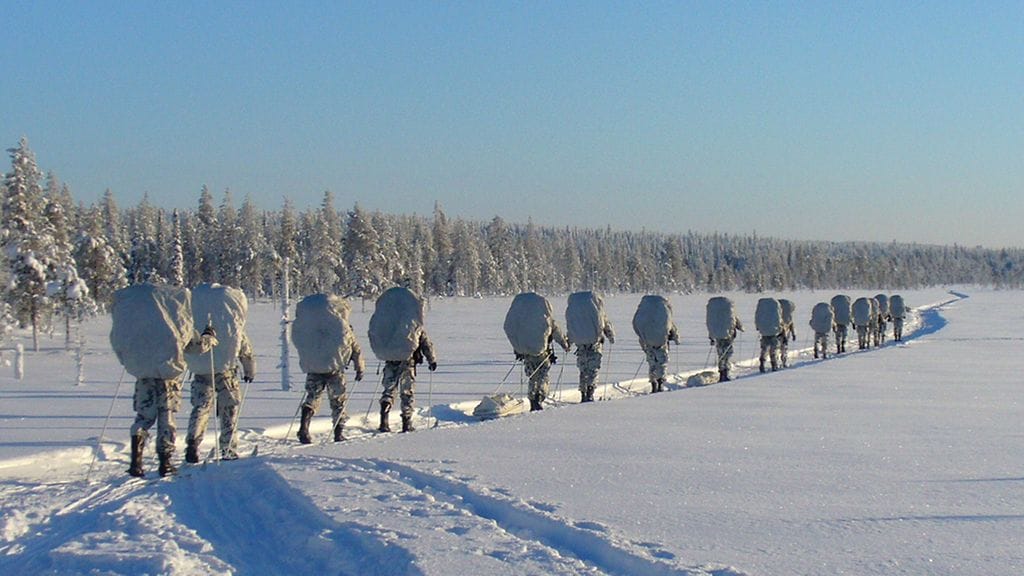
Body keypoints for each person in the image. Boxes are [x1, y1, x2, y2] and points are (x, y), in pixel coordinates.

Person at [110, 283, 218, 478]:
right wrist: (209, 337)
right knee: (166, 417)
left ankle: (136, 461)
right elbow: (195, 346)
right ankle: (165, 462)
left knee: (144, 417)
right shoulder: (176, 323)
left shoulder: (138, 326)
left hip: (143, 375)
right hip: (168, 377)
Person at [184, 283, 256, 462]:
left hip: (201, 370)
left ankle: (193, 442)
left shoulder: (195, 320)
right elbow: (244, 347)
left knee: (201, 407)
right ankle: (228, 447)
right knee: (229, 409)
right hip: (226, 371)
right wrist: (249, 370)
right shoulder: (232, 324)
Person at [292, 294, 365, 444]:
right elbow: (355, 349)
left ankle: (304, 427)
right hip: (335, 369)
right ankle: (338, 433)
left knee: (312, 398)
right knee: (338, 401)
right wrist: (359, 368)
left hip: (315, 368)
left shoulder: (313, 328)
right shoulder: (342, 328)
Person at [370, 287, 437, 432]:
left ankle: (384, 419)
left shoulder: (389, 324)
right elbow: (425, 342)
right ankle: (407, 423)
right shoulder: (412, 324)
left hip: (390, 360)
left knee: (388, 390)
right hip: (407, 361)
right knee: (407, 392)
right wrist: (432, 359)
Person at [504, 292, 570, 411]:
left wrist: (518, 348)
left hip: (526, 352)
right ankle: (538, 398)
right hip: (541, 352)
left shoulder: (522, 319)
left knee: (532, 376)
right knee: (542, 375)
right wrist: (565, 345)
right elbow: (556, 331)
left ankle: (533, 399)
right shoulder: (543, 317)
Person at [565, 291, 615, 403]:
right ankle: (590, 392)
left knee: (583, 369)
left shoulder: (574, 311)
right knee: (593, 369)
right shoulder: (596, 308)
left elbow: (571, 325)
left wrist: (568, 341)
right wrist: (610, 335)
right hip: (594, 342)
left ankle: (583, 392)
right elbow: (603, 322)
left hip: (580, 343)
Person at [633, 295, 679, 393]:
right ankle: (660, 383)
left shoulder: (644, 310)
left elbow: (636, 323)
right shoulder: (663, 310)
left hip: (647, 341)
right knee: (661, 362)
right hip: (661, 340)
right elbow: (669, 324)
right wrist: (675, 337)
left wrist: (642, 336)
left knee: (652, 362)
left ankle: (653, 383)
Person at [706, 296, 743, 382]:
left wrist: (711, 335)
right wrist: (741, 328)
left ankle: (722, 372)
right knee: (727, 354)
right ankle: (725, 373)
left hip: (717, 334)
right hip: (727, 334)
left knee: (720, 353)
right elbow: (734, 319)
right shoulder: (728, 311)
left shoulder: (714, 311)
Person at [755, 297, 784, 373]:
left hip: (764, 331)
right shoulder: (776, 308)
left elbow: (757, 317)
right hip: (774, 331)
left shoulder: (761, 309)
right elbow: (779, 319)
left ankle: (762, 362)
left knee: (764, 348)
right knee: (773, 349)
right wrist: (780, 328)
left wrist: (758, 327)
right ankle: (774, 364)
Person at [778, 299, 797, 368]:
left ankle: (775, 361)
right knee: (784, 348)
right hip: (785, 333)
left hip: (776, 331)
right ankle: (784, 361)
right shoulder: (788, 316)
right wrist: (794, 334)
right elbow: (791, 325)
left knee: (775, 348)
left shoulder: (775, 314)